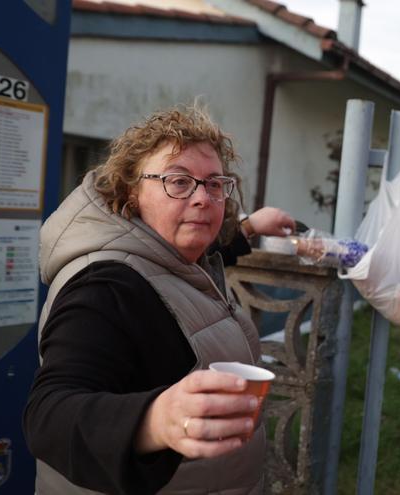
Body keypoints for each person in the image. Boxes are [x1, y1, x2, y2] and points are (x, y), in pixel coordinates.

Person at [24, 104, 294, 494]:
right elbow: (49, 415)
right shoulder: (106, 285)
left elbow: (210, 248)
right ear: (132, 192)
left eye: (215, 183)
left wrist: (250, 227)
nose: (202, 198)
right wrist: (155, 421)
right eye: (178, 182)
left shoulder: (173, 254)